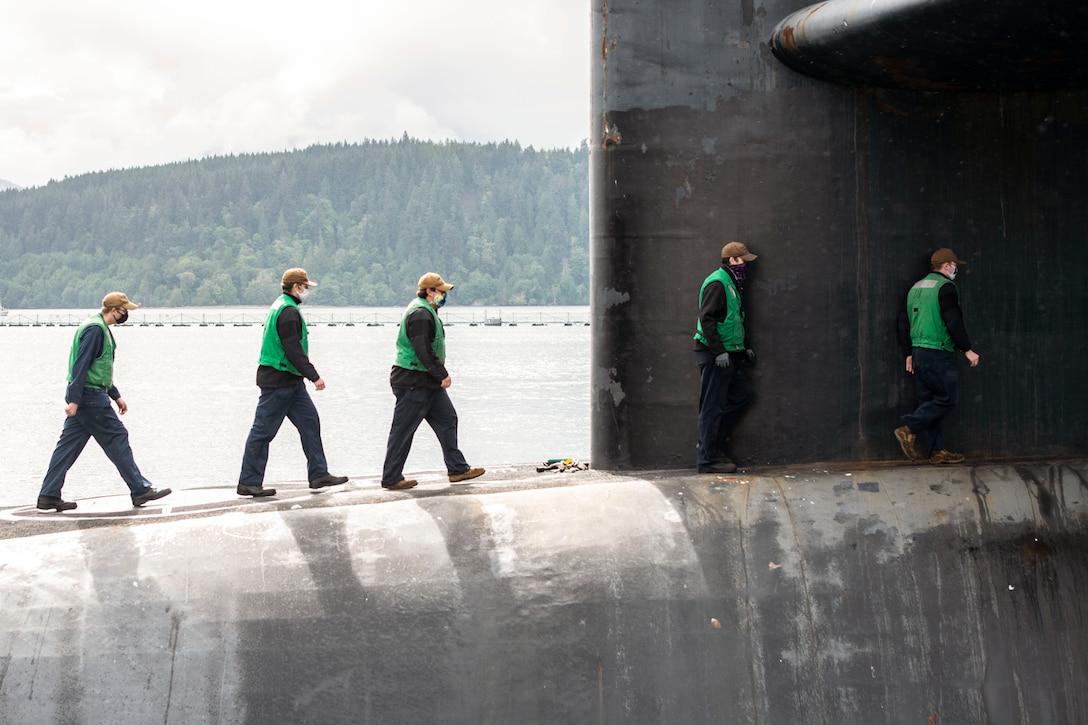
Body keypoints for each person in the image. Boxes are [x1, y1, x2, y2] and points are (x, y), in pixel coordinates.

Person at [37, 292, 172, 511]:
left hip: (89, 395)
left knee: (67, 447)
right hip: (89, 398)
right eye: (124, 310)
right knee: (117, 437)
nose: (126, 314)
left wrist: (115, 395)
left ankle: (48, 494)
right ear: (114, 310)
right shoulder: (95, 330)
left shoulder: (98, 327)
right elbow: (81, 366)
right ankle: (139, 489)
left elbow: (99, 368)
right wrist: (74, 400)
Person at [237, 268, 349, 497]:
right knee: (262, 432)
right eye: (304, 286)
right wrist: (314, 375)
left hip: (290, 382)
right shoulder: (288, 311)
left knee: (310, 423)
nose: (306, 290)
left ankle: (318, 474)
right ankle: (248, 481)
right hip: (279, 380)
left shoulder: (281, 305)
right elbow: (293, 350)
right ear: (295, 287)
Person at [380, 273, 485, 491]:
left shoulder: (428, 311)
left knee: (448, 419)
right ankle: (391, 478)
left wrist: (436, 377)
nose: (444, 295)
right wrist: (442, 374)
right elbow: (422, 350)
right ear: (430, 292)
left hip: (426, 383)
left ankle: (457, 469)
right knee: (403, 430)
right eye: (441, 291)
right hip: (412, 381)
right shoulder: (420, 314)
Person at [895, 248, 981, 464]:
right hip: (938, 353)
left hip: (918, 353)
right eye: (954, 265)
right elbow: (953, 320)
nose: (955, 269)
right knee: (947, 399)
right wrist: (967, 349)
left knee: (929, 403)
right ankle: (909, 428)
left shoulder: (915, 288)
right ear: (946, 266)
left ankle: (937, 451)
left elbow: (903, 323)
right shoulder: (946, 288)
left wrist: (908, 353)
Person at [694, 242, 758, 474]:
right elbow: (707, 318)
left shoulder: (732, 283)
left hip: (730, 353)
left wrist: (743, 349)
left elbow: (731, 321)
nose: (746, 266)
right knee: (711, 407)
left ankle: (712, 442)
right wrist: (718, 351)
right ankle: (707, 459)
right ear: (732, 260)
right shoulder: (718, 282)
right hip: (714, 355)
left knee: (743, 396)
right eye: (743, 261)